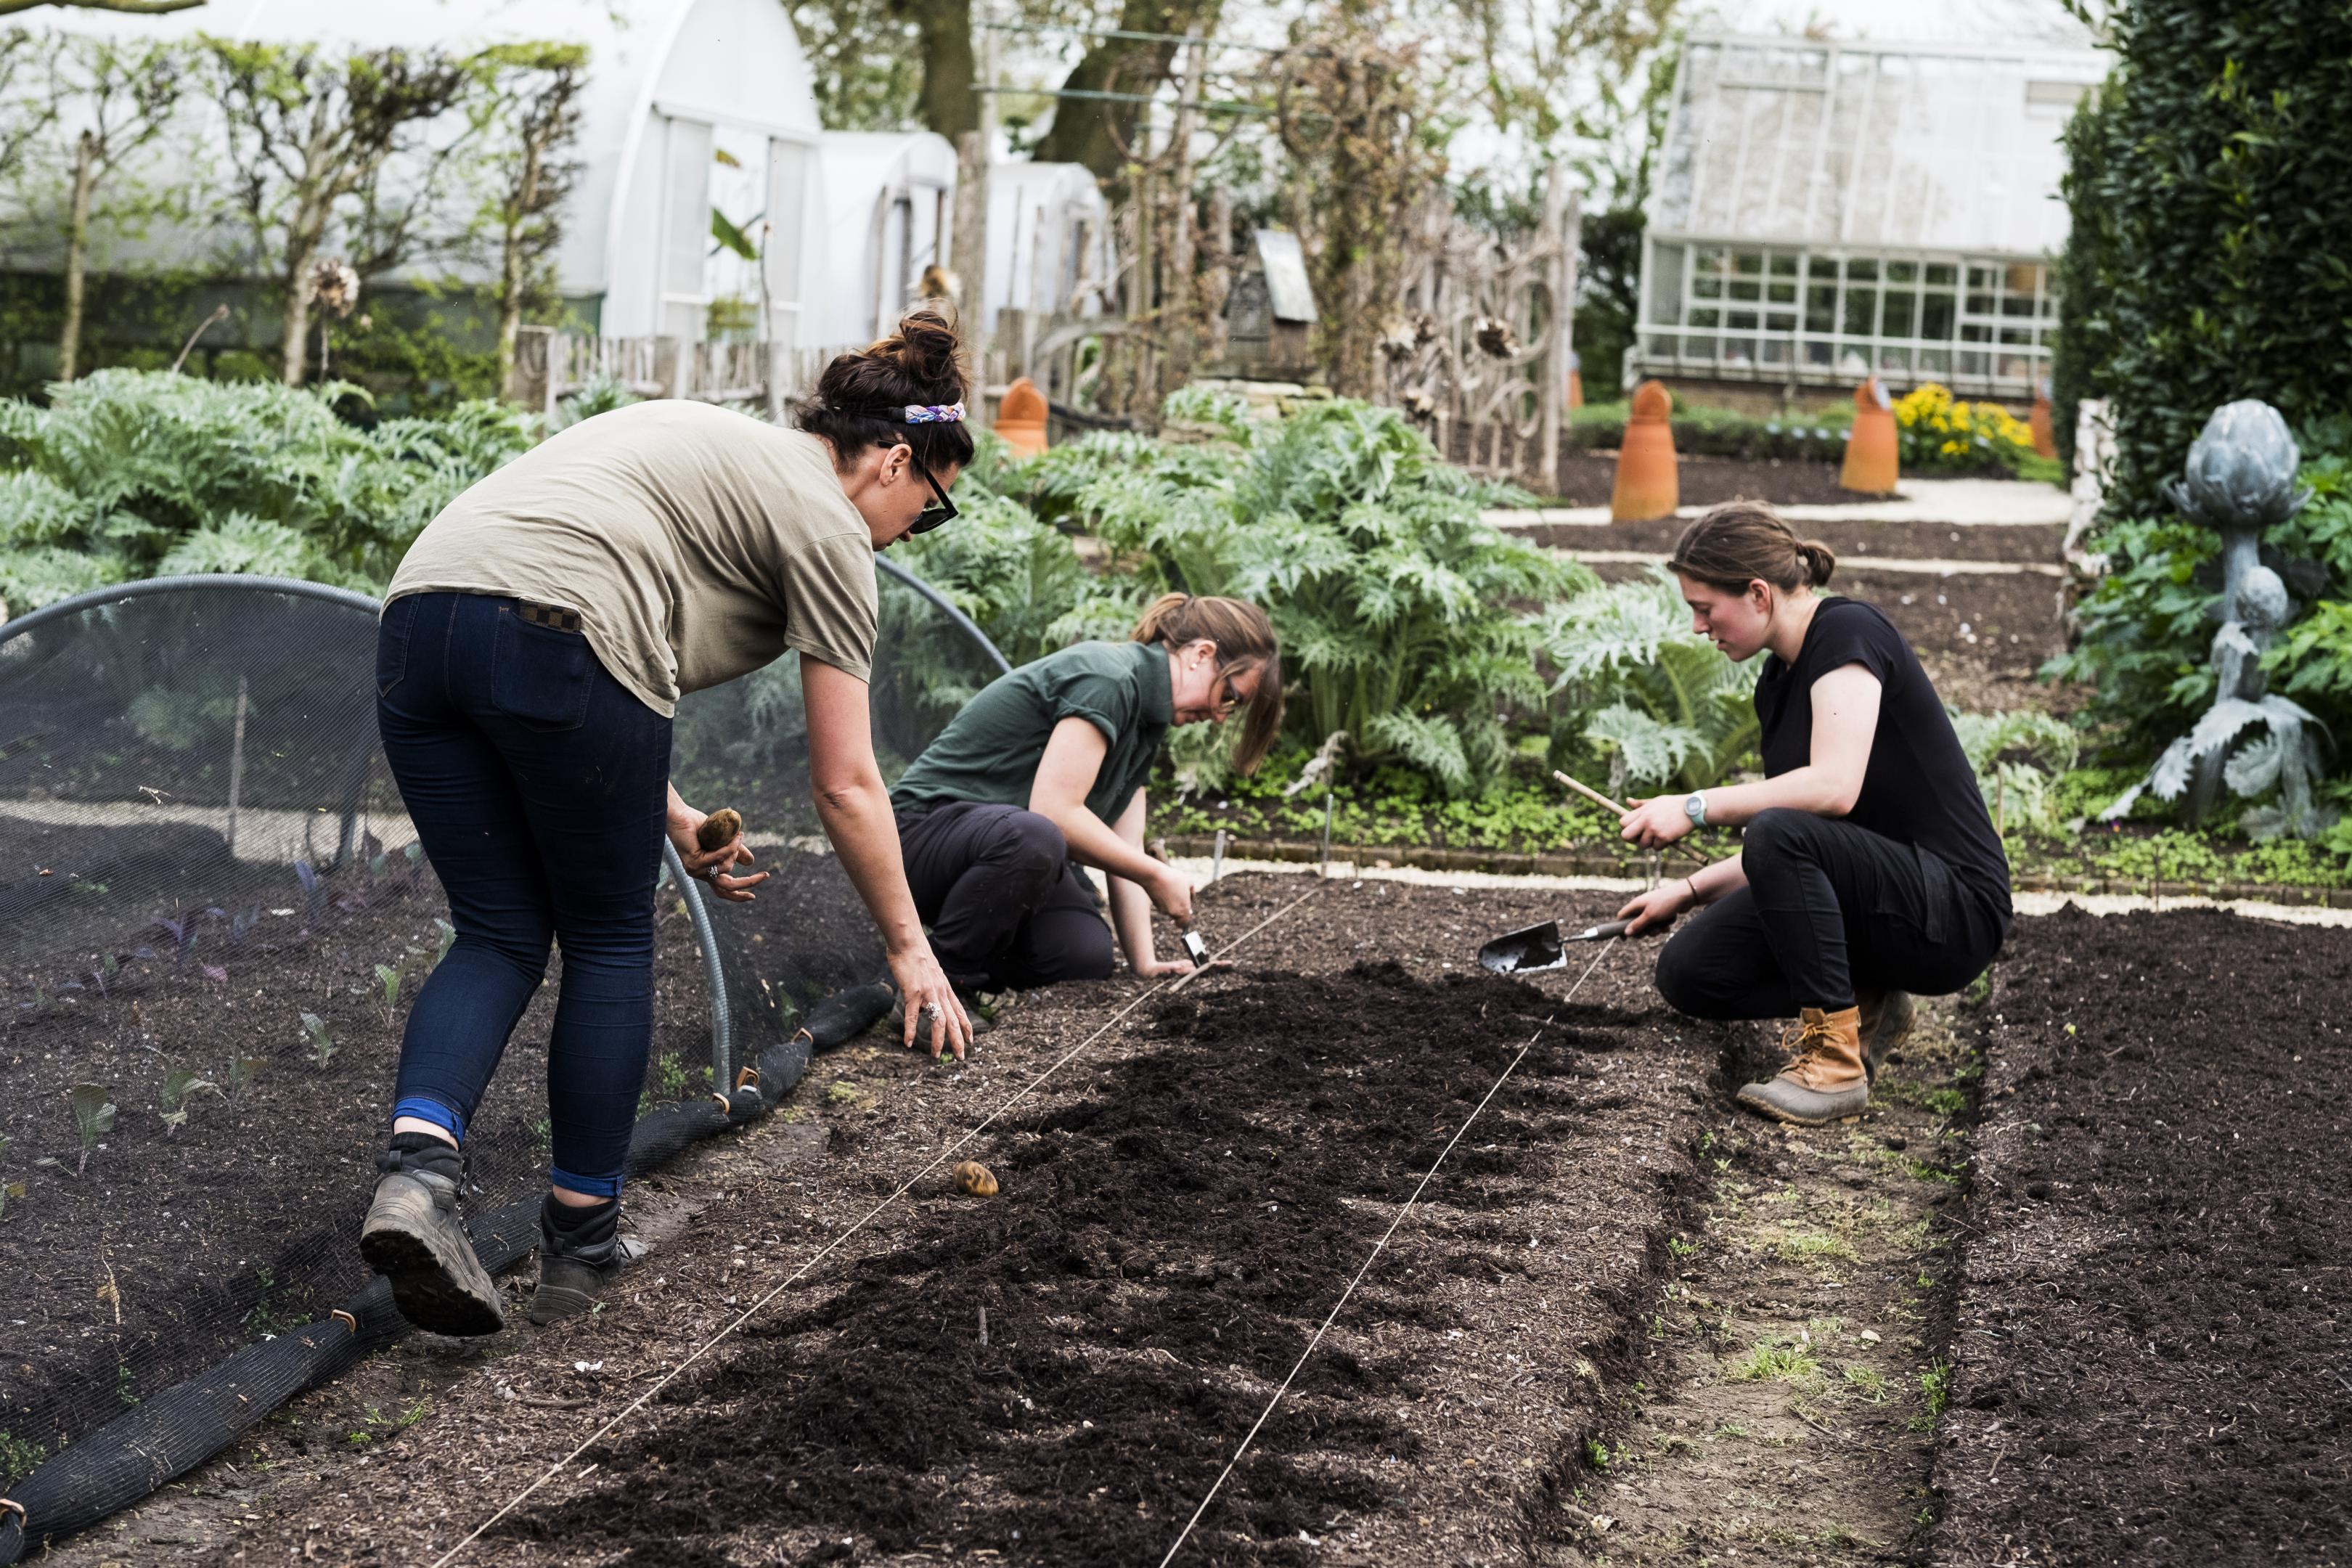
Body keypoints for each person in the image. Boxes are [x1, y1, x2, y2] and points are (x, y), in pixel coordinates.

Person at [361, 310, 979, 1336]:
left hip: (420, 624)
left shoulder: (707, 436)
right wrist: (912, 951)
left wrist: (679, 813)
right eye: (932, 508)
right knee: (608, 936)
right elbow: (846, 782)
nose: (917, 527)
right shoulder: (828, 523)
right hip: (562, 633)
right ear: (895, 461)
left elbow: (555, 606)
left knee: (501, 931)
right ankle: (581, 1242)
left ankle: (418, 1176)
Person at [1612, 502, 2011, 1125]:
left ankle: (1834, 1068)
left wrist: (1695, 806)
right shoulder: (1776, 683)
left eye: (1704, 609)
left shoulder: (1847, 634)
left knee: (1777, 827)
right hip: (1883, 899)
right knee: (1690, 973)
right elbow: (1804, 845)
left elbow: (1832, 791)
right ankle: (1869, 995)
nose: (1697, 627)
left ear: (1758, 594)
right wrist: (1687, 892)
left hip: (1953, 912)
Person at [887, 594, 1282, 995]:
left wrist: (1145, 963)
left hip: (998, 856)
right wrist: (1157, 874)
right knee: (1037, 837)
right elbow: (1055, 812)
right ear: (1201, 654)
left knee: (1081, 956)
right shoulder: (1108, 679)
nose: (1219, 717)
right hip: (914, 836)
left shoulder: (1147, 725)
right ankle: (939, 987)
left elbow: (1124, 848)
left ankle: (957, 953)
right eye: (1230, 696)